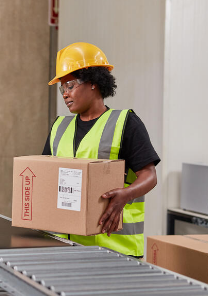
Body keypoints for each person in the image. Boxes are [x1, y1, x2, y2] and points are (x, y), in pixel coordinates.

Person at [44, 42, 160, 258]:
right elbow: (46, 175)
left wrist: (126, 195)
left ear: (93, 82)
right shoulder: (59, 127)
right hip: (64, 249)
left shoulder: (125, 123)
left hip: (113, 250)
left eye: (70, 85)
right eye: (62, 88)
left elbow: (149, 176)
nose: (65, 94)